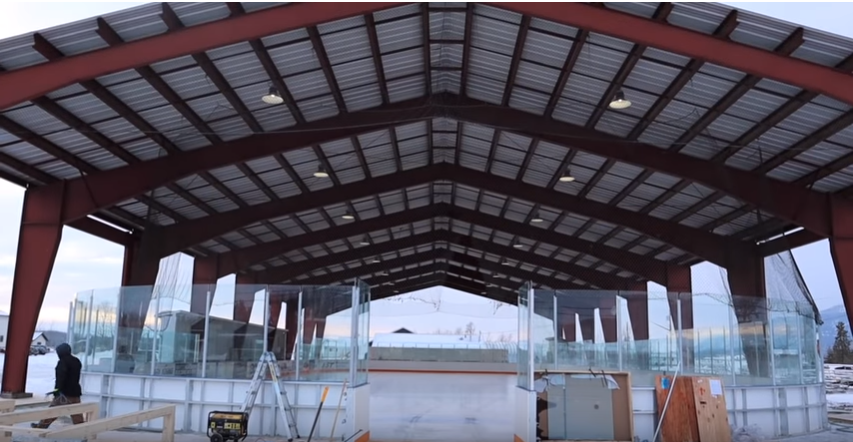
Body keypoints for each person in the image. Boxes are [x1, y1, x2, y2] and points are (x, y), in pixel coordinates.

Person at [31, 343, 85, 429]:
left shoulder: (62, 362)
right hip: (75, 393)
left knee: (52, 411)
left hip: (64, 393)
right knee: (77, 415)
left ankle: (41, 426)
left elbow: (60, 378)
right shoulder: (76, 361)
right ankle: (84, 431)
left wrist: (56, 391)